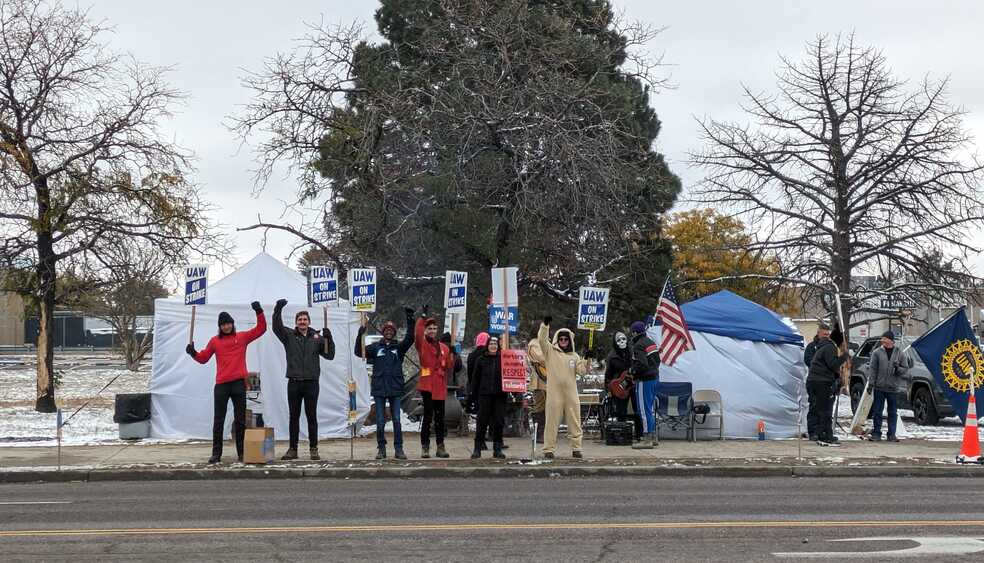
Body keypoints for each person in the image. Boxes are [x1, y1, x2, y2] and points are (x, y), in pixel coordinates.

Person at [186, 302, 267, 464]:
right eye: (223, 324)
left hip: (238, 384)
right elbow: (203, 358)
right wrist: (193, 353)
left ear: (232, 324)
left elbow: (261, 329)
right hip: (222, 385)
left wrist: (259, 311)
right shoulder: (215, 341)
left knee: (240, 420)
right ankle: (216, 454)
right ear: (220, 327)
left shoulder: (242, 337)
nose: (226, 326)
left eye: (228, 323)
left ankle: (242, 453)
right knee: (219, 420)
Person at [272, 299, 335, 461]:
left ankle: (314, 449)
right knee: (294, 416)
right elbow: (276, 328)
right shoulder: (289, 336)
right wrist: (278, 310)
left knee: (311, 416)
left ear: (309, 322)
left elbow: (329, 355)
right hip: (294, 382)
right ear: (296, 322)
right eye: (299, 320)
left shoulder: (317, 338)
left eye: (305, 319)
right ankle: (293, 449)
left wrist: (329, 339)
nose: (302, 322)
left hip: (311, 383)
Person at [356, 307, 415, 460]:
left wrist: (410, 318)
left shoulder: (399, 348)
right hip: (379, 389)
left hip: (395, 389)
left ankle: (399, 449)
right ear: (383, 332)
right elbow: (359, 351)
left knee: (396, 419)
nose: (389, 331)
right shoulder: (375, 348)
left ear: (394, 332)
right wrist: (360, 334)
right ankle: (381, 448)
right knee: (381, 422)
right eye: (386, 329)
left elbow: (410, 338)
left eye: (391, 330)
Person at [538, 317, 589, 459]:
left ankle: (576, 448)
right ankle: (548, 449)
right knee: (551, 422)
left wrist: (587, 360)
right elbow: (542, 340)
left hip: (571, 394)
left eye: (566, 340)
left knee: (575, 422)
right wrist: (545, 326)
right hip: (554, 395)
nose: (563, 342)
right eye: (561, 339)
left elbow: (582, 371)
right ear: (557, 340)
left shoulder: (574, 356)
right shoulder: (550, 352)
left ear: (570, 341)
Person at [415, 309, 452, 458]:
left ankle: (440, 446)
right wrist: (421, 320)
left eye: (434, 328)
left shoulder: (443, 347)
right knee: (428, 417)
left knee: (440, 418)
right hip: (427, 385)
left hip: (440, 385)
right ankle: (425, 447)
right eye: (429, 328)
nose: (432, 331)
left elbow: (448, 366)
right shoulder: (422, 344)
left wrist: (453, 355)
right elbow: (417, 335)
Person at [807, 325, 849, 446]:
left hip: (815, 380)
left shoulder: (822, 347)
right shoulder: (829, 348)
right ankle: (825, 435)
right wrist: (843, 357)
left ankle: (823, 434)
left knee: (822, 409)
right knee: (825, 410)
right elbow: (832, 364)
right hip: (822, 382)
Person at [469, 335, 507, 459]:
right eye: (491, 344)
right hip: (484, 395)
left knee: (498, 422)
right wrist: (472, 397)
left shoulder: (503, 359)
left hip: (499, 395)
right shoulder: (480, 360)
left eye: (495, 344)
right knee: (482, 422)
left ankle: (497, 449)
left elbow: (511, 375)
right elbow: (475, 380)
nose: (493, 346)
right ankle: (477, 449)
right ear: (487, 345)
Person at [868, 330, 911, 442]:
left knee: (892, 412)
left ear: (891, 340)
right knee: (877, 411)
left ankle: (891, 434)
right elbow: (873, 369)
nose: (883, 340)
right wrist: (871, 384)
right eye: (882, 338)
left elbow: (905, 369)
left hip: (893, 388)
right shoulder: (877, 352)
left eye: (885, 338)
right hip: (879, 387)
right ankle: (876, 433)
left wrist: (898, 368)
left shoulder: (899, 353)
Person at [605, 331, 642, 440]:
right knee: (621, 411)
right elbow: (608, 374)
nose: (622, 342)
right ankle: (622, 434)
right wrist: (608, 388)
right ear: (615, 342)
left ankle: (639, 434)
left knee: (637, 409)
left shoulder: (633, 351)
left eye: (623, 339)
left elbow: (640, 365)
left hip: (633, 384)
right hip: (619, 387)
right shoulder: (612, 356)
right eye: (619, 340)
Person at [629, 321, 660, 449]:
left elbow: (642, 364)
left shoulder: (638, 345)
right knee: (650, 409)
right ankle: (653, 437)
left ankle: (646, 438)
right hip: (654, 378)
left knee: (643, 410)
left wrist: (632, 371)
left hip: (644, 380)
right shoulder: (651, 342)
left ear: (635, 332)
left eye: (632, 332)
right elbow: (658, 361)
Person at [803, 323, 831, 439]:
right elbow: (808, 360)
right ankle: (813, 431)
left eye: (828, 334)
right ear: (818, 333)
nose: (826, 336)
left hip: (826, 382)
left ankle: (823, 431)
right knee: (814, 406)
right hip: (814, 381)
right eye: (824, 334)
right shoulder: (812, 347)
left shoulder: (830, 347)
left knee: (826, 409)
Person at [526, 337, 548, 444]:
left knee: (548, 407)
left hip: (549, 381)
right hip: (540, 381)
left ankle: (545, 433)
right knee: (540, 407)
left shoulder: (547, 341)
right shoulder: (534, 344)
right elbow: (542, 359)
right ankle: (539, 434)